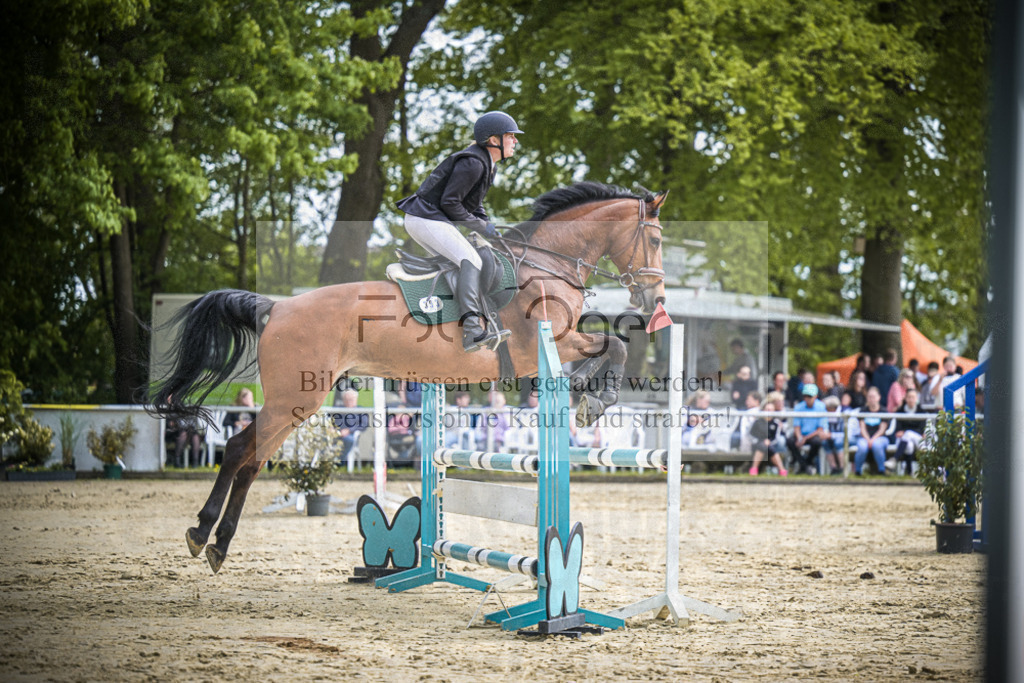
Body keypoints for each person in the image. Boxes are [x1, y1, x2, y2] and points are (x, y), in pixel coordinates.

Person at [396, 111, 522, 352]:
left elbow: (473, 203)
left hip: (432, 219)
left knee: (462, 262)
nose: (515, 141)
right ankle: (473, 329)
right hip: (425, 218)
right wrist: (483, 227)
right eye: (510, 136)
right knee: (471, 259)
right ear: (493, 140)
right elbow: (450, 203)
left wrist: (489, 227)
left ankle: (449, 320)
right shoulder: (473, 162)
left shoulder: (487, 164)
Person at [787, 383, 829, 474]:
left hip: (813, 435)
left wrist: (804, 438)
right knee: (790, 441)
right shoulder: (799, 407)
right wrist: (799, 437)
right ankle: (806, 466)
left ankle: (805, 464)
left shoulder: (821, 407)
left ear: (815, 396)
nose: (807, 399)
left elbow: (820, 429)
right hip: (801, 435)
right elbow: (796, 426)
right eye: (805, 396)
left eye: (809, 396)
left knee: (817, 442)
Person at [854, 387, 890, 475]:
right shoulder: (863, 411)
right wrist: (868, 439)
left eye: (873, 396)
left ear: (879, 397)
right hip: (864, 437)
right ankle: (857, 471)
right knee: (862, 447)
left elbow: (882, 429)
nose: (871, 399)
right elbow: (862, 428)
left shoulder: (883, 411)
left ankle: (881, 470)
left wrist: (872, 440)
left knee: (877, 445)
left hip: (880, 437)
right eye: (869, 397)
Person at [748, 400, 788, 476]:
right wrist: (760, 441)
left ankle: (754, 469)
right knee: (763, 445)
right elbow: (751, 435)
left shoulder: (776, 423)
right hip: (757, 444)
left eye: (771, 410)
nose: (768, 412)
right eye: (767, 410)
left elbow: (776, 438)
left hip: (771, 445)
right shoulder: (757, 422)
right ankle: (782, 470)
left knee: (768, 447)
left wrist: (769, 442)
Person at [892, 387, 925, 476]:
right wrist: (904, 432)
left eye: (913, 397)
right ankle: (909, 472)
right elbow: (898, 430)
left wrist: (906, 431)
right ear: (905, 398)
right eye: (909, 397)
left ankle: (895, 458)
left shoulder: (921, 411)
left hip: (918, 440)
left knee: (908, 434)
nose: (911, 399)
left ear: (916, 399)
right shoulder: (900, 411)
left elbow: (922, 430)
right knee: (909, 445)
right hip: (905, 440)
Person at [332, 389, 369, 465]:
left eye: (351, 399)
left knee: (349, 440)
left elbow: (364, 425)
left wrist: (349, 430)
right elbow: (332, 422)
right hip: (336, 434)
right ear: (343, 400)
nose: (349, 401)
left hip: (351, 435)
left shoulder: (361, 411)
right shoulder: (338, 410)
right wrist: (332, 429)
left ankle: (338, 463)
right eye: (347, 399)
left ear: (356, 399)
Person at [821, 396, 846, 475]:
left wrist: (831, 435)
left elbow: (846, 433)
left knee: (838, 442)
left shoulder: (843, 414)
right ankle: (834, 468)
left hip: (845, 438)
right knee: (825, 442)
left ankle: (842, 468)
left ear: (832, 408)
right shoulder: (826, 415)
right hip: (830, 438)